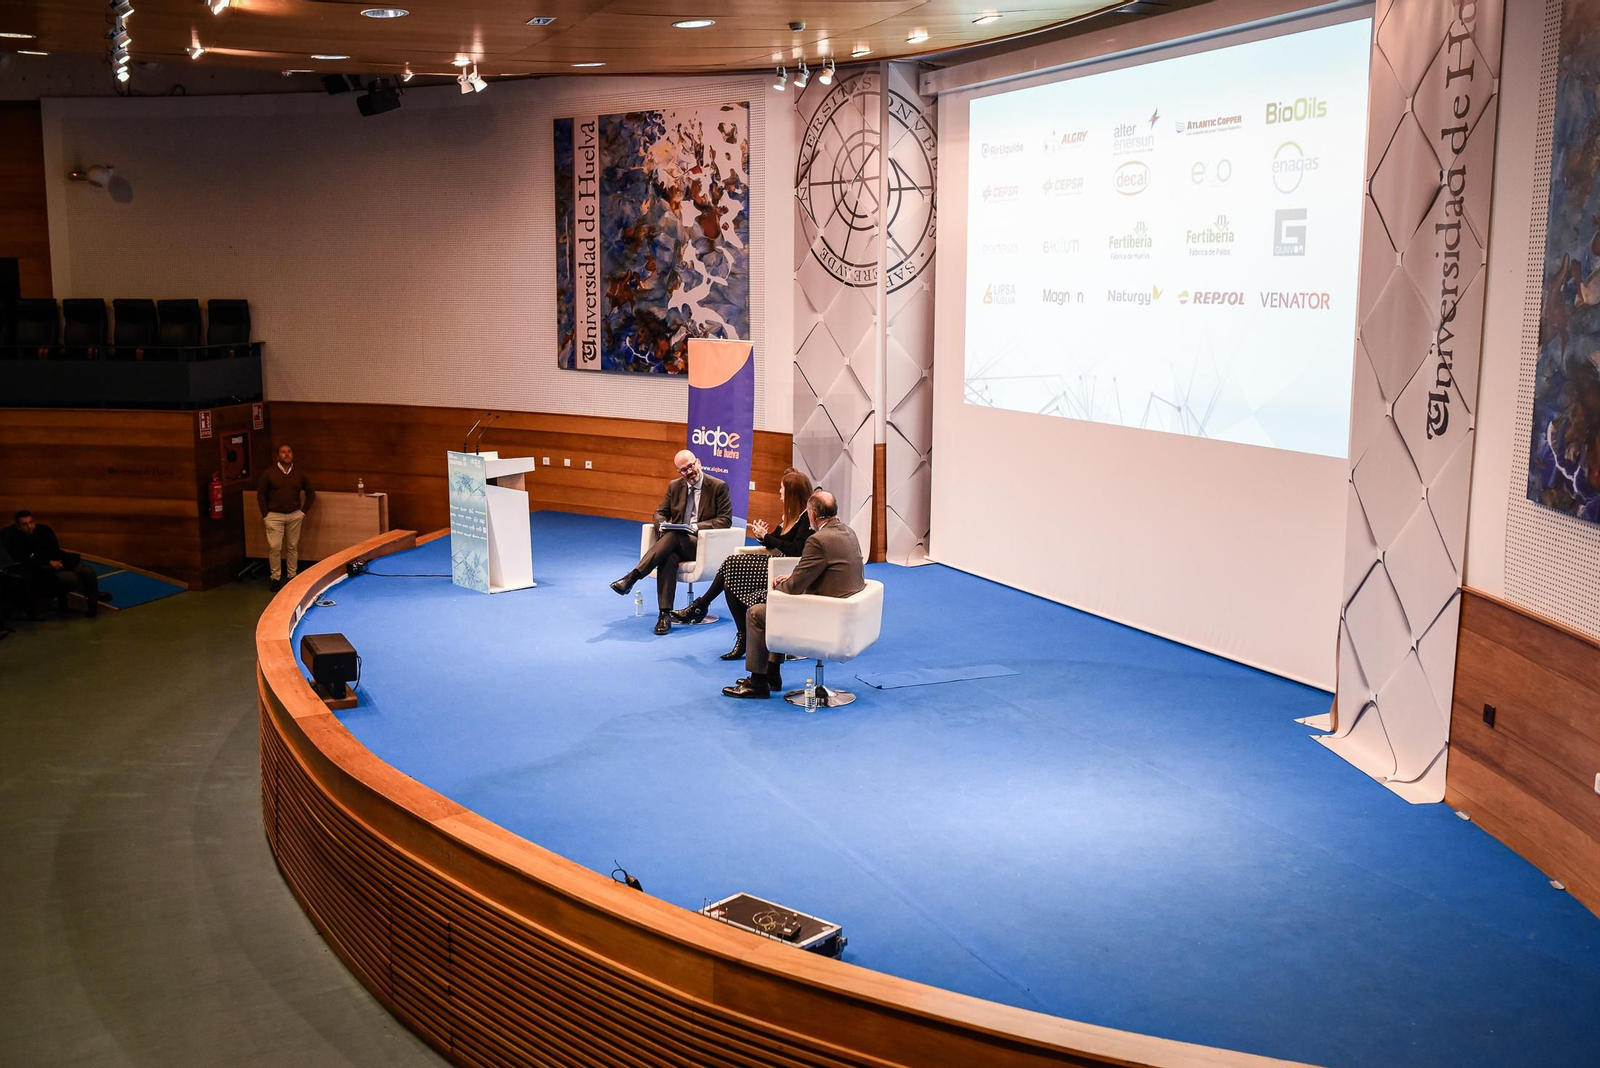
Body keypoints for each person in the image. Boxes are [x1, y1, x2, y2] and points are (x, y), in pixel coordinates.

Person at [723, 490, 864, 699]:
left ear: (813, 515)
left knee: (758, 612)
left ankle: (758, 682)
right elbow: (824, 571)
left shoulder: (819, 540)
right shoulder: (848, 532)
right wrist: (790, 578)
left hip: (825, 614)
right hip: (843, 610)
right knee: (775, 606)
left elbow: (793, 589)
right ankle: (771, 673)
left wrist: (775, 591)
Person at [672, 467, 814, 661]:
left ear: (791, 492)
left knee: (731, 563)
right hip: (774, 563)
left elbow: (795, 550)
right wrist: (762, 536)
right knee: (729, 582)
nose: (779, 492)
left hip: (786, 569)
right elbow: (777, 540)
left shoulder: (806, 519)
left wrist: (768, 539)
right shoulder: (789, 515)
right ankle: (742, 636)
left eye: (781, 489)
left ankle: (701, 606)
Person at [610, 449, 732, 634]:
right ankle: (664, 614)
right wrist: (662, 525)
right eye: (683, 470)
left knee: (674, 536)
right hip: (677, 543)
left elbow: (725, 520)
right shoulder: (674, 487)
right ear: (679, 472)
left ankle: (632, 577)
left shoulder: (718, 486)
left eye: (690, 466)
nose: (689, 472)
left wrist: (695, 527)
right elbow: (659, 513)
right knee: (669, 555)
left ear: (698, 462)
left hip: (703, 544)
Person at [1, 509, 112, 618]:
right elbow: (23, 559)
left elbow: (54, 549)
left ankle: (92, 604)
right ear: (18, 526)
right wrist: (48, 562)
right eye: (25, 524)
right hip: (41, 568)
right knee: (71, 578)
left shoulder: (44, 530)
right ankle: (93, 595)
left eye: (31, 522)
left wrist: (59, 562)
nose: (29, 526)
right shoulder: (14, 538)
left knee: (88, 572)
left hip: (57, 560)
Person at [257, 443, 315, 592]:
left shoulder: (299, 473)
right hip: (274, 515)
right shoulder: (269, 473)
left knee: (292, 547)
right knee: (275, 547)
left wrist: (303, 512)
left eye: (289, 452)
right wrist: (265, 514)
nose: (287, 454)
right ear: (278, 456)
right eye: (283, 452)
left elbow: (310, 492)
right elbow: (261, 494)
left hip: (294, 515)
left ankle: (292, 577)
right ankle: (276, 578)